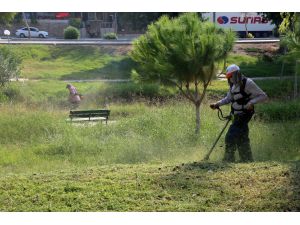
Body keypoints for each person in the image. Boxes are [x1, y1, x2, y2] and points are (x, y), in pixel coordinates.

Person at [210, 64, 268, 162]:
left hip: (244, 114)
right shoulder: (233, 86)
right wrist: (217, 104)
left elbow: (263, 96)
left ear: (236, 74)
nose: (229, 79)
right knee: (242, 137)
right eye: (228, 77)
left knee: (230, 136)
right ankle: (247, 159)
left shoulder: (248, 83)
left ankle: (229, 159)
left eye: (230, 76)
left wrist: (251, 102)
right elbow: (229, 99)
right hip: (236, 114)